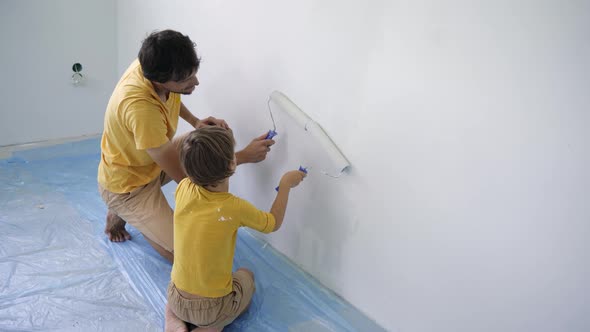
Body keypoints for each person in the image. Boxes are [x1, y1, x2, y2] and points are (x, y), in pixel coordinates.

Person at [97, 29, 275, 262]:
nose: (196, 82)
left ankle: (135, 213)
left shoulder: (153, 64)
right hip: (128, 186)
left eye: (194, 73)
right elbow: (189, 181)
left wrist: (196, 122)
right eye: (186, 80)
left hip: (150, 160)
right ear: (159, 79)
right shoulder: (139, 108)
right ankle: (122, 209)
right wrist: (241, 157)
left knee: (207, 138)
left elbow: (170, 96)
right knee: (188, 256)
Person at [165, 126, 305, 331]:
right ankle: (210, 327)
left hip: (176, 296)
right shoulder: (233, 207)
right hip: (212, 308)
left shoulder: (183, 187)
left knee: (177, 301)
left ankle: (173, 321)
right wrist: (285, 185)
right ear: (232, 164)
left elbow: (208, 169)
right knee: (246, 275)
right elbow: (272, 222)